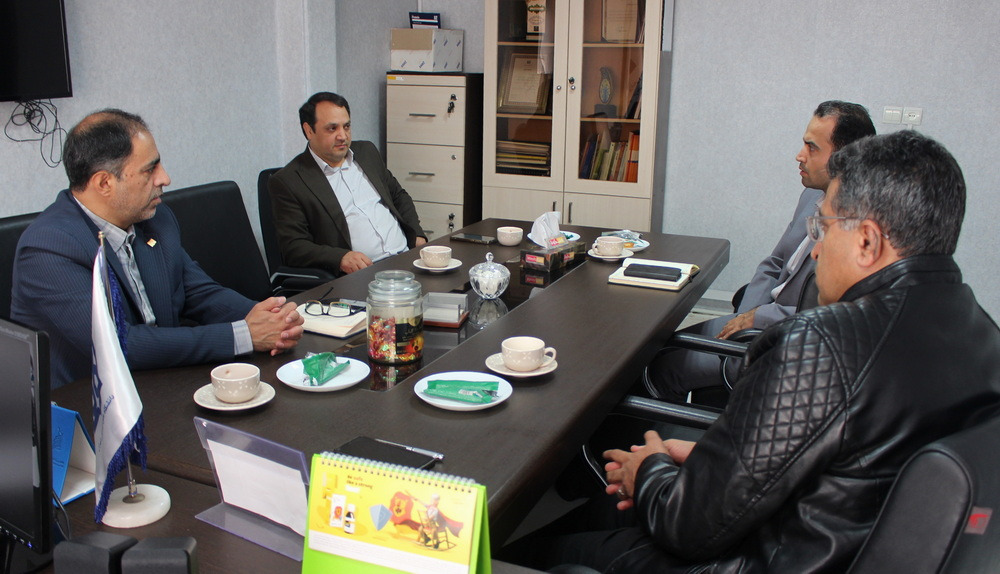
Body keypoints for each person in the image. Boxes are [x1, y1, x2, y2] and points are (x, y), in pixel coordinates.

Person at [508, 131, 1000, 572]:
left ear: (867, 242)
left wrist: (650, 468)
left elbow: (687, 526)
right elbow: (858, 469)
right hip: (829, 541)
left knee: (524, 555)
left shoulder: (823, 343)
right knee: (597, 513)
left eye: (824, 228)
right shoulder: (982, 335)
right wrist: (714, 457)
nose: (814, 250)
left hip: (754, 557)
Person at [11, 109, 304, 390]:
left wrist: (271, 318)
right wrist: (244, 335)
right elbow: (119, 344)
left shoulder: (156, 219)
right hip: (91, 403)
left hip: (163, 379)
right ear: (104, 182)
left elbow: (197, 292)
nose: (165, 178)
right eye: (150, 169)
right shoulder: (48, 247)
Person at [648, 101, 875, 402]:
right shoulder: (811, 195)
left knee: (660, 369)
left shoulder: (857, 227)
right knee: (661, 347)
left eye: (812, 147)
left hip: (784, 344)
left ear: (846, 158)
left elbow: (834, 315)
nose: (799, 155)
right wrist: (744, 315)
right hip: (756, 320)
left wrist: (759, 319)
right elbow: (773, 264)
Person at [269, 92, 427, 275]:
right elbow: (294, 247)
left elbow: (398, 196)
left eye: (346, 126)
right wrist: (340, 258)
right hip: (362, 275)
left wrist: (417, 235)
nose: (342, 136)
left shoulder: (366, 152)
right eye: (332, 128)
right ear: (309, 130)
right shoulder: (289, 181)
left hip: (407, 259)